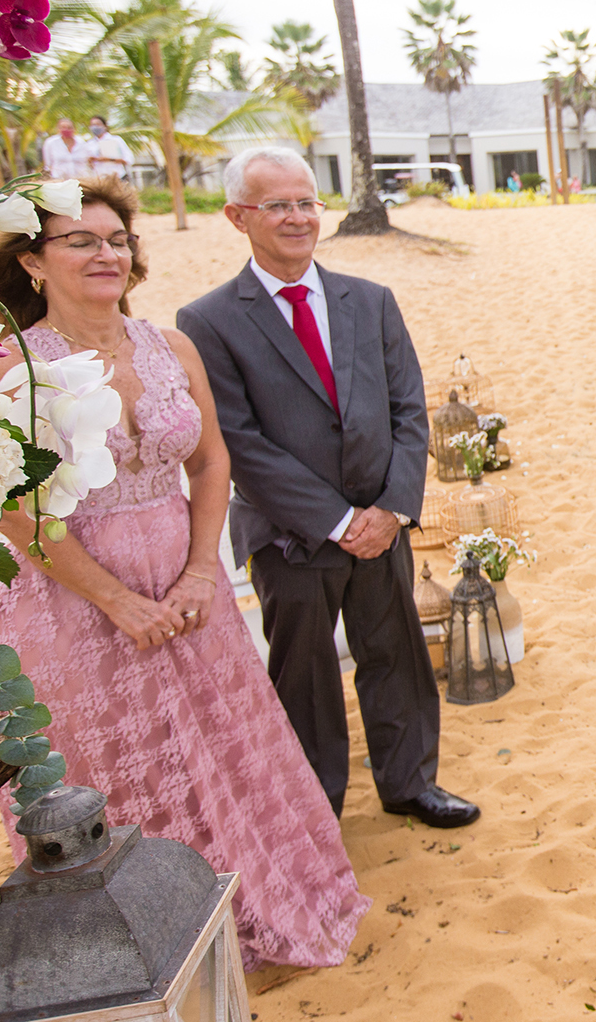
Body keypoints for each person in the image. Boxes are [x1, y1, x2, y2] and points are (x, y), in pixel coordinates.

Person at [0, 176, 369, 970]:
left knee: (222, 744)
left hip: (186, 584)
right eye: (81, 241)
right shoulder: (10, 366)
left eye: (117, 240)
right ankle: (146, 945)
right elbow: (15, 510)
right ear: (33, 262)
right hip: (69, 596)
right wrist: (116, 600)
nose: (106, 254)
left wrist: (201, 572)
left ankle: (247, 906)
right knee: (116, 762)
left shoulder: (169, 346)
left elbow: (211, 461)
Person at [176, 147, 479, 829]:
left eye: (306, 202)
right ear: (237, 216)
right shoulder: (208, 321)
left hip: (382, 524)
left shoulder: (370, 301)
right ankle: (317, 813)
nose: (297, 217)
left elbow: (409, 409)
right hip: (292, 536)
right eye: (276, 205)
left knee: (396, 657)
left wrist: (392, 509)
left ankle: (410, 784)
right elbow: (237, 441)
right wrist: (339, 521)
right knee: (305, 679)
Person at [85, 116, 135, 180]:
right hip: (99, 179)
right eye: (93, 125)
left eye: (98, 124)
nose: (95, 127)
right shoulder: (90, 144)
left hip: (117, 177)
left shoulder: (116, 140)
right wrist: (90, 161)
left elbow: (129, 159)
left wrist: (109, 159)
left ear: (105, 126)